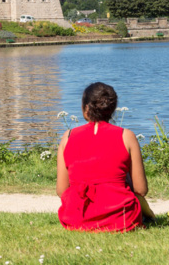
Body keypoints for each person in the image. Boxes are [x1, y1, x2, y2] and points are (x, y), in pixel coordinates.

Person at [57, 82, 147, 232]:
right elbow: (141, 190)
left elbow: (61, 190)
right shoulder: (126, 136)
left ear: (86, 108)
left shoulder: (68, 136)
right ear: (112, 109)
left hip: (76, 218)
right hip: (121, 218)